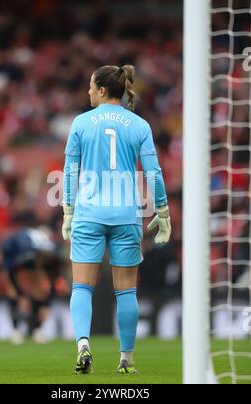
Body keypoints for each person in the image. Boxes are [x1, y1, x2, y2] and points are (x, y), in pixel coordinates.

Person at [62, 65, 171, 374]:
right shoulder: (139, 125)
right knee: (126, 291)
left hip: (89, 213)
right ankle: (126, 360)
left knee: (81, 287)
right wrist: (161, 211)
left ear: (101, 90)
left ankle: (83, 345)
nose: (87, 92)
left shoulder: (81, 123)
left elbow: (70, 171)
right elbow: (153, 172)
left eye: (89, 86)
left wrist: (68, 212)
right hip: (126, 215)